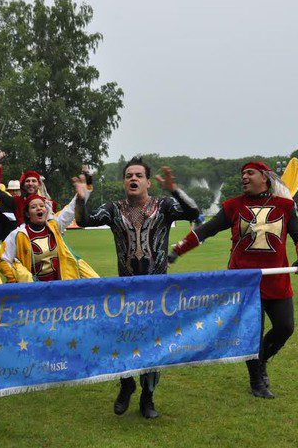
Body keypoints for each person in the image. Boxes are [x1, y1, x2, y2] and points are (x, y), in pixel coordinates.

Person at [168, 161, 298, 399]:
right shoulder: (233, 206)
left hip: (277, 280)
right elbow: (206, 230)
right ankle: (256, 381)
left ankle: (261, 360)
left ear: (265, 177)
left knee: (285, 328)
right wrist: (178, 250)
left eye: (250, 173)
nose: (244, 177)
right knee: (253, 333)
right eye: (242, 174)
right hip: (244, 282)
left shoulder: (285, 206)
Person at [74, 156, 200, 419]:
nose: (133, 179)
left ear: (148, 182)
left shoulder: (164, 206)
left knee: (153, 343)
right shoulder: (113, 209)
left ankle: (147, 396)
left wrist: (175, 190)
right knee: (123, 340)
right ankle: (126, 384)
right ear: (124, 182)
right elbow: (85, 221)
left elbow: (193, 212)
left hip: (156, 292)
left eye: (138, 175)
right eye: (128, 175)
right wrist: (82, 198)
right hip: (126, 290)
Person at [1, 191, 85, 282]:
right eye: (33, 207)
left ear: (46, 210)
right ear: (27, 214)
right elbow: (3, 259)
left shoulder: (55, 226)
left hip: (59, 285)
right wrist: (15, 278)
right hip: (34, 288)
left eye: (42, 206)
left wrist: (82, 193)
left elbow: (70, 210)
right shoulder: (18, 234)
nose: (39, 208)